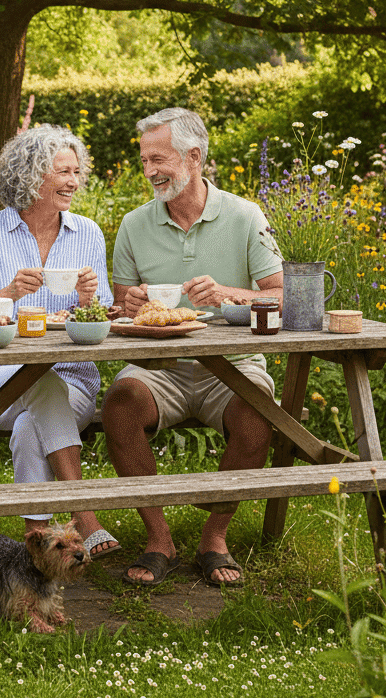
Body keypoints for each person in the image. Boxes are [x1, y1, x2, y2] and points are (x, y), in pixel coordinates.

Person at [101, 107, 282, 587]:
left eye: (158, 158)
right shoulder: (133, 224)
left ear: (194, 157)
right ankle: (159, 539)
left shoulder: (245, 215)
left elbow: (282, 295)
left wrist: (229, 294)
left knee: (259, 412)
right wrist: (131, 302)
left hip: (234, 362)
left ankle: (214, 537)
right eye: (144, 160)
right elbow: (119, 306)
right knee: (118, 405)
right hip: (160, 367)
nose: (149, 170)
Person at [0, 125, 120, 559]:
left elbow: (101, 315)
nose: (73, 181)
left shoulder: (88, 233)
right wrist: (6, 295)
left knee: (35, 418)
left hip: (73, 384)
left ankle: (39, 548)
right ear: (30, 176)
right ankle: (85, 516)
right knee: (39, 383)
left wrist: (88, 301)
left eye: (76, 172)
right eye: (63, 171)